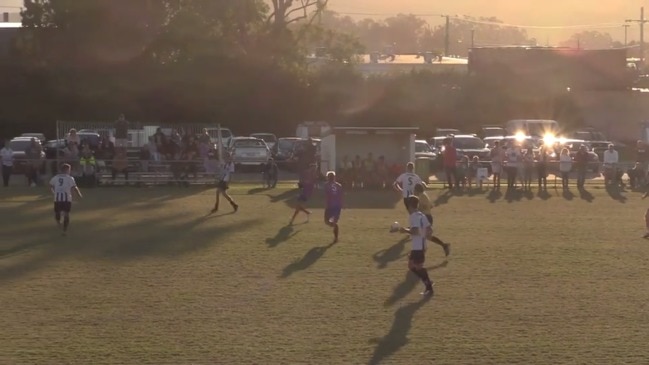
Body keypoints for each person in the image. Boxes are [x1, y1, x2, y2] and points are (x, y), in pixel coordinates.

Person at [397, 196, 435, 296]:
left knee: (418, 268)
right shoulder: (421, 215)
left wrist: (404, 230)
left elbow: (415, 231)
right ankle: (427, 280)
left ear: (409, 206)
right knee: (411, 266)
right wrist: (425, 234)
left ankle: (428, 286)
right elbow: (429, 230)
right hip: (420, 246)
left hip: (418, 247)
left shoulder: (413, 216)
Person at [414, 183, 450, 257]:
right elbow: (431, 206)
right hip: (427, 217)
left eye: (414, 190)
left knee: (421, 236)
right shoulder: (424, 195)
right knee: (427, 236)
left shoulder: (421, 196)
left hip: (425, 218)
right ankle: (444, 245)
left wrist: (417, 210)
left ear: (417, 190)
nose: (413, 192)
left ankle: (419, 256)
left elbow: (424, 207)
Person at [49, 163, 82, 236]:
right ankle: (64, 230)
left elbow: (50, 186)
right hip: (67, 198)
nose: (70, 171)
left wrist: (53, 193)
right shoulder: (70, 178)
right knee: (66, 214)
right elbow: (74, 187)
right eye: (69, 170)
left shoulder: (56, 177)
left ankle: (59, 223)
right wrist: (79, 194)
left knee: (57, 212)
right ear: (67, 170)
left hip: (57, 198)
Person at [323, 171, 343, 243]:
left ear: (328, 177)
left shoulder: (326, 185)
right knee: (334, 221)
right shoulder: (339, 185)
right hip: (337, 206)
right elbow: (340, 196)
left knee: (326, 221)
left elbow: (327, 195)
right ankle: (336, 237)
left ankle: (334, 227)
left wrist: (326, 204)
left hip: (330, 206)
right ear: (334, 177)